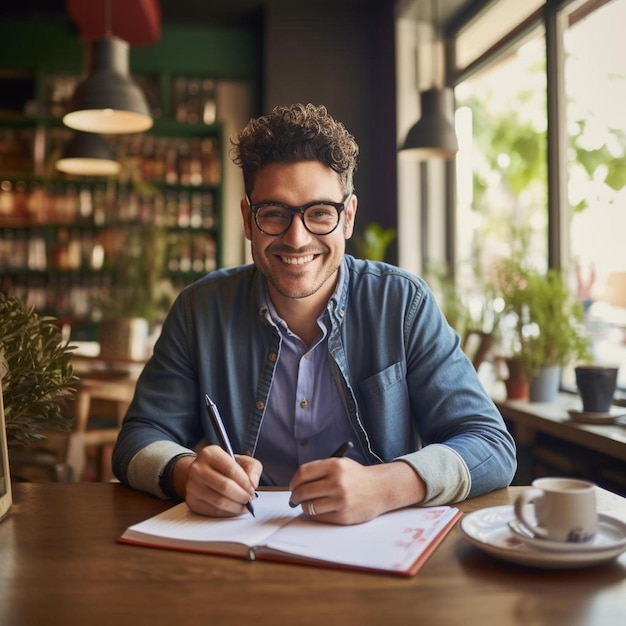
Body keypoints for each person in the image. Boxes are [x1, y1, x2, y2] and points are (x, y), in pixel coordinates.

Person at [112, 103, 516, 525]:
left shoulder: (402, 304)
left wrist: (385, 485)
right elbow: (138, 439)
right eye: (274, 214)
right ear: (248, 220)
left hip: (376, 552)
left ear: (348, 218)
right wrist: (185, 473)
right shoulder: (199, 310)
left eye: (320, 213)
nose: (296, 238)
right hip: (240, 553)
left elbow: (490, 444)